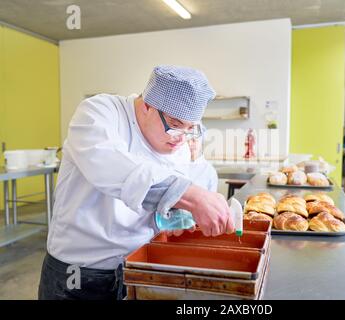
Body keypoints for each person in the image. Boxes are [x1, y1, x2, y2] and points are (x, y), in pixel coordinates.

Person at [38, 65, 234, 300]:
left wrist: (188, 209)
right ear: (147, 105)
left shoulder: (181, 142)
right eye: (175, 124)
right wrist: (190, 196)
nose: (181, 137)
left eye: (191, 128)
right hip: (79, 275)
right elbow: (112, 168)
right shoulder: (100, 113)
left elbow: (190, 190)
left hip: (140, 270)